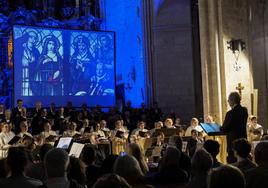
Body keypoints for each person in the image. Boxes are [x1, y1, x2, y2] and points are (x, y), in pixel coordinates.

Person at [220, 92, 248, 163]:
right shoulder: (244, 110)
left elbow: (225, 129)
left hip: (233, 144)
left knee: (234, 165)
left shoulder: (230, 113)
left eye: (228, 100)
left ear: (232, 100)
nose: (228, 101)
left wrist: (220, 128)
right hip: (243, 141)